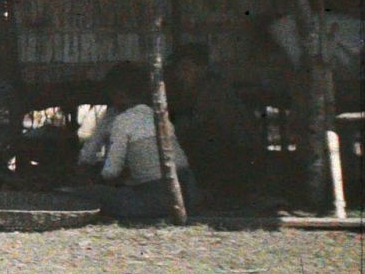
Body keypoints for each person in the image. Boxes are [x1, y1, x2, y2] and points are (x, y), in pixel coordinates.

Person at [84, 63, 197, 220]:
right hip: (188, 195)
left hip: (158, 199)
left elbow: (110, 173)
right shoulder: (159, 116)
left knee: (91, 194)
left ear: (118, 94)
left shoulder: (123, 121)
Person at [166, 45, 258, 203]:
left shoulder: (212, 89)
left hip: (235, 150)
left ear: (201, 69)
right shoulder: (195, 89)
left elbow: (194, 123)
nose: (180, 74)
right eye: (179, 69)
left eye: (186, 68)